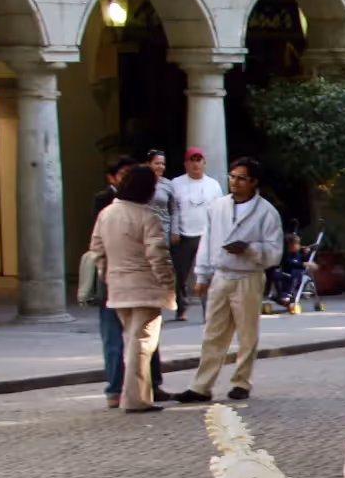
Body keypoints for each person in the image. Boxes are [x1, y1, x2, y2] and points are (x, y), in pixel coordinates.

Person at [175, 157, 281, 404]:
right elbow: (207, 240)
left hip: (248, 276)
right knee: (213, 332)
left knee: (247, 333)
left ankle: (241, 380)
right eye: (232, 177)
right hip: (222, 274)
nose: (235, 182)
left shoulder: (266, 212)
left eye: (241, 178)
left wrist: (250, 249)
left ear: (254, 182)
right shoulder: (218, 207)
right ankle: (201, 385)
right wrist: (202, 275)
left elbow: (275, 252)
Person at [90, 164, 175, 414]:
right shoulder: (147, 216)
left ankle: (137, 396)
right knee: (143, 344)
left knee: (134, 341)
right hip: (145, 288)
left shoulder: (107, 213)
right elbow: (158, 256)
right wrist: (169, 283)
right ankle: (136, 399)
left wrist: (108, 273)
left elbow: (96, 250)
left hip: (117, 286)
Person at [167, 146, 221, 323]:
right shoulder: (176, 183)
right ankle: (181, 308)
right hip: (184, 234)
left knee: (206, 273)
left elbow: (219, 211)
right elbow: (173, 209)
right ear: (186, 164)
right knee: (180, 274)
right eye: (192, 160)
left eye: (199, 160)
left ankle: (209, 310)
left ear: (204, 163)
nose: (195, 164)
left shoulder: (213, 185)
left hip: (206, 234)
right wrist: (174, 230)